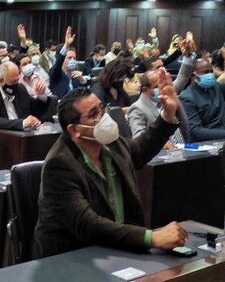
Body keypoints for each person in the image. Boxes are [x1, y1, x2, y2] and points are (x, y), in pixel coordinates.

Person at [33, 73, 189, 258]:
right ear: (74, 131)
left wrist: (167, 114)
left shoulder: (110, 143)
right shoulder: (58, 165)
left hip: (115, 247)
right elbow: (88, 224)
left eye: (102, 109)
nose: (103, 117)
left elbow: (140, 150)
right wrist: (151, 238)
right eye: (93, 115)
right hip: (72, 256)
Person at [0, 61, 53, 130]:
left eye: (17, 80)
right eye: (13, 82)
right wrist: (22, 123)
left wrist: (41, 95)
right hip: (3, 138)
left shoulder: (20, 88)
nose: (16, 84)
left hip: (25, 135)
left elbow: (34, 109)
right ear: (1, 80)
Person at [127, 69, 190, 145]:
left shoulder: (169, 99)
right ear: (145, 89)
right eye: (157, 86)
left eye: (163, 84)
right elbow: (138, 139)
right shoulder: (137, 108)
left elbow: (183, 77)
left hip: (183, 148)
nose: (161, 88)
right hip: (160, 153)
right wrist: (160, 143)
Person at [179, 59, 225, 141]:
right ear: (194, 75)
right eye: (206, 72)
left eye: (211, 71)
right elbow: (195, 132)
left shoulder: (216, 87)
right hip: (211, 141)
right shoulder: (187, 98)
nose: (210, 75)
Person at [49, 26, 87, 99]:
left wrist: (82, 80)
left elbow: (83, 94)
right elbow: (58, 64)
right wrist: (67, 45)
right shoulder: (56, 72)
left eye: (74, 58)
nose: (73, 60)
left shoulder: (75, 73)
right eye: (69, 58)